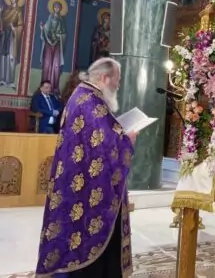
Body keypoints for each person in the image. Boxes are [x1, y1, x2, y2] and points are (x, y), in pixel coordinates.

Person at [36, 58, 138, 277]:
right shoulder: (91, 102)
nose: (118, 85)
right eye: (117, 80)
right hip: (86, 190)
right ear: (105, 78)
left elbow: (97, 138)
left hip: (78, 184)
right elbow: (104, 147)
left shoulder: (82, 96)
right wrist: (127, 141)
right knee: (84, 239)